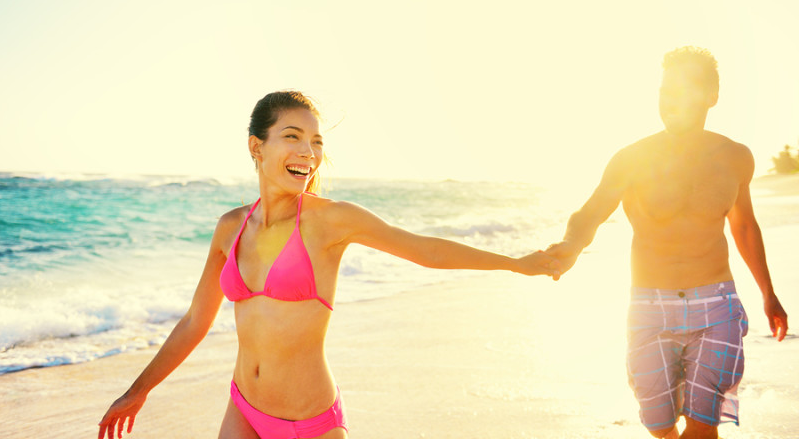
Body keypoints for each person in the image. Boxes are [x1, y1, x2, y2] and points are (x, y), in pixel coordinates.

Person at [98, 90, 556, 439]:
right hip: (242, 410)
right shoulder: (230, 227)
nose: (308, 153)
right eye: (292, 137)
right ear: (257, 147)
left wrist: (518, 264)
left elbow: (426, 251)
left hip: (309, 423)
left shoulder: (330, 221)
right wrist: (139, 389)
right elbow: (197, 319)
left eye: (315, 142)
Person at [544, 47, 788, 439]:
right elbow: (589, 213)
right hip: (648, 307)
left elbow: (744, 227)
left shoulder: (735, 157)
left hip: (717, 307)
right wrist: (570, 246)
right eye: (664, 91)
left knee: (702, 428)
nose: (670, 100)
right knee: (660, 427)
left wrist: (768, 293)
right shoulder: (632, 158)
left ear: (712, 96)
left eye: (683, 89)